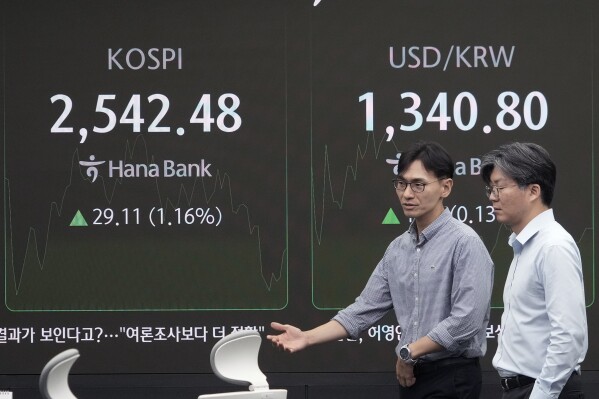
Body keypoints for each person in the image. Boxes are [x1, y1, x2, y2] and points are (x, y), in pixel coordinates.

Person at [268, 141, 494, 399]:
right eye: (401, 183)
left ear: (446, 187)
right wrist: (307, 337)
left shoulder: (465, 242)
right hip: (411, 377)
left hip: (453, 377)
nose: (407, 194)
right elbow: (363, 310)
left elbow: (466, 322)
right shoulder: (398, 248)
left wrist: (409, 351)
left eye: (418, 184)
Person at [480, 142, 588, 399]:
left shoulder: (553, 246)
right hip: (525, 389)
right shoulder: (526, 245)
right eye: (490, 188)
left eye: (500, 187)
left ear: (533, 191)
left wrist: (541, 394)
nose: (492, 196)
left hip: (545, 390)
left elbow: (569, 336)